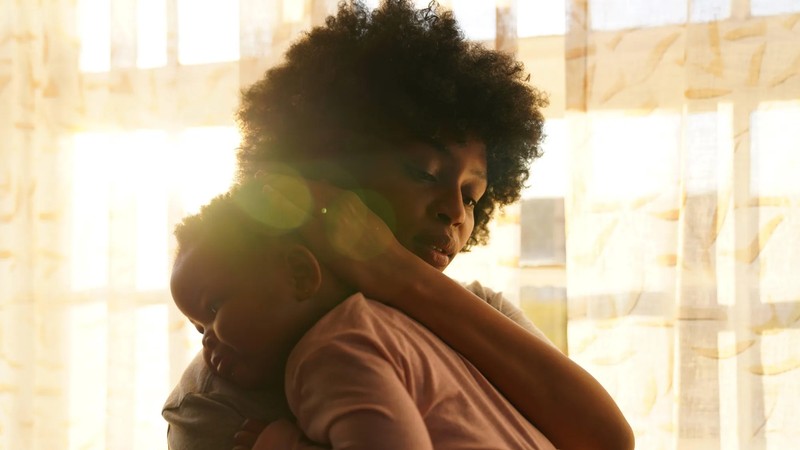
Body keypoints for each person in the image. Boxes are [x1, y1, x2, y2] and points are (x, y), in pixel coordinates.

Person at [162, 1, 635, 449]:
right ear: (335, 170)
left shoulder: (480, 310)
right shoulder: (210, 403)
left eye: (472, 197)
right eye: (423, 173)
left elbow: (609, 441)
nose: (455, 211)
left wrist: (394, 272)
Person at [170, 180, 558, 449]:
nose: (207, 340)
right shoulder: (207, 406)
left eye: (215, 307)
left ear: (301, 274)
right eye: (199, 327)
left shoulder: (332, 353)